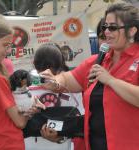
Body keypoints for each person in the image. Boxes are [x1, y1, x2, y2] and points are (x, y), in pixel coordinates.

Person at [39, 3, 139, 150]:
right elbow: (67, 79)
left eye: (112, 28)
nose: (106, 32)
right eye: (105, 27)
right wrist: (55, 81)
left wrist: (111, 80)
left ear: (132, 31)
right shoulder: (97, 61)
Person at [0, 12, 45, 150]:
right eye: (5, 45)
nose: (8, 51)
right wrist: (32, 110)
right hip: (5, 143)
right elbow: (20, 122)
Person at [24, 43, 85, 150]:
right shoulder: (73, 86)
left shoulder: (25, 84)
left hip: (32, 144)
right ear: (60, 63)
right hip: (63, 145)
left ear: (33, 63)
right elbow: (77, 121)